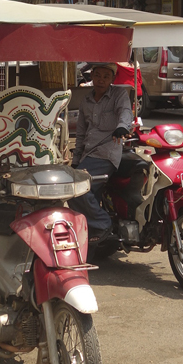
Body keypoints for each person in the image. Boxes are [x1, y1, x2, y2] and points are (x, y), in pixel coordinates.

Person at [71, 62, 133, 242]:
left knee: (76, 189)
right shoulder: (86, 101)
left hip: (106, 152)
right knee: (83, 191)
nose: (101, 80)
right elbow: (81, 133)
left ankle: (102, 223)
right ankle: (92, 243)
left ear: (112, 79)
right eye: (98, 75)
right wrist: (75, 160)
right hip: (87, 154)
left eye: (106, 77)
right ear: (92, 77)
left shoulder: (119, 95)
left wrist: (122, 127)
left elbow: (125, 113)